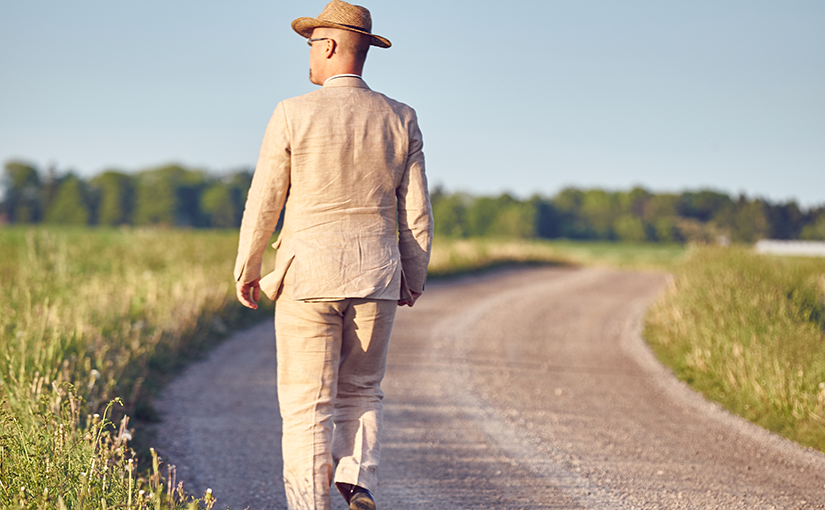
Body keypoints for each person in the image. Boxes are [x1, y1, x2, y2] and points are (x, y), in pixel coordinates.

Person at [233, 2, 433, 509]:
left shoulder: (292, 112)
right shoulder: (400, 117)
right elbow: (416, 212)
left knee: (306, 406)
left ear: (328, 46)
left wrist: (250, 267)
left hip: (307, 276)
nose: (308, 56)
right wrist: (413, 275)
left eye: (310, 45)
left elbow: (265, 199)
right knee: (363, 388)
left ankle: (309, 505)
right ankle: (356, 477)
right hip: (376, 276)